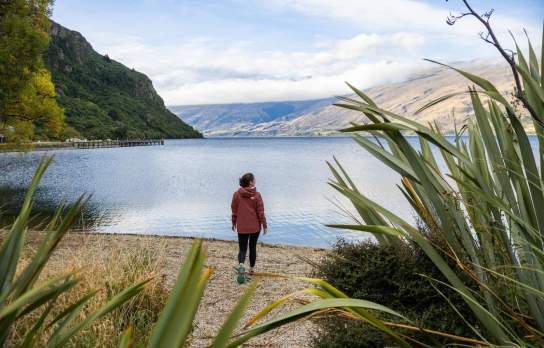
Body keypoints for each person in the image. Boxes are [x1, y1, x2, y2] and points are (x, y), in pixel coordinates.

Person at [231, 172, 267, 276]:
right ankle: (251, 269)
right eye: (254, 179)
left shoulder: (236, 194)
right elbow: (261, 212)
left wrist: (233, 222)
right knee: (252, 247)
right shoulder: (257, 195)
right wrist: (264, 225)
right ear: (250, 182)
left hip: (242, 227)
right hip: (255, 227)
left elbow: (234, 210)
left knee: (242, 248)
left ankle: (241, 265)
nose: (255, 181)